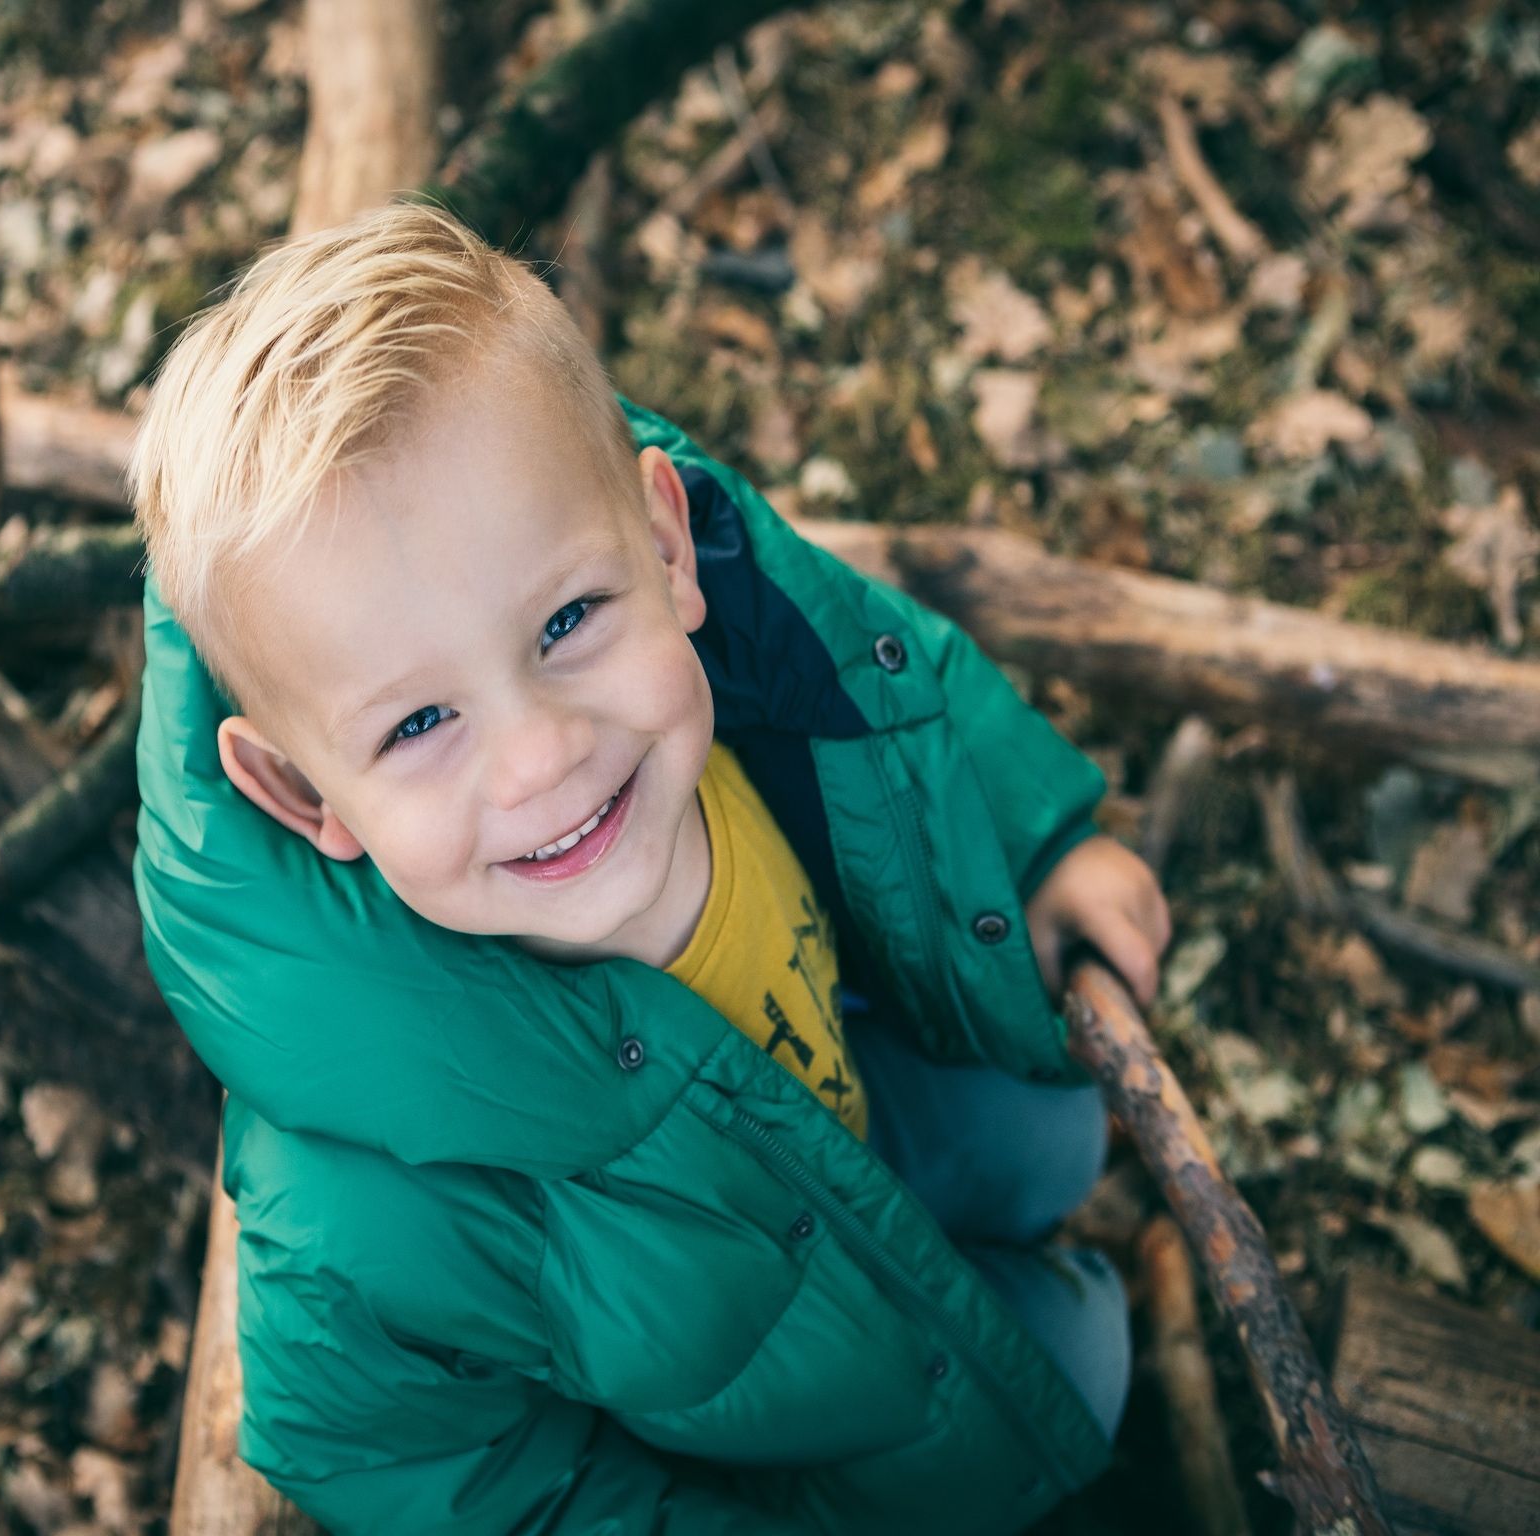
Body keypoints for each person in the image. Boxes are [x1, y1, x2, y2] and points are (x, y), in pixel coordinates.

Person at [128, 196, 1172, 1534]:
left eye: (568, 620)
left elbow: (894, 694)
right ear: (299, 792)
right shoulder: (358, 1226)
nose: (539, 760)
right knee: (1080, 1371)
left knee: (1057, 1124)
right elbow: (449, 1478)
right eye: (419, 724)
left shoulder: (741, 655)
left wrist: (1037, 846)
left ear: (665, 547)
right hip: (787, 1401)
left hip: (842, 1111)